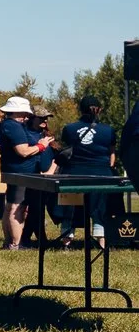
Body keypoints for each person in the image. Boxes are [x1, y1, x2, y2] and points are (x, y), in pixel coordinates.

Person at [55, 95, 119, 244]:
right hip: (101, 173)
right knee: (100, 203)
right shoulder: (108, 130)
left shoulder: (69, 129)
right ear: (100, 110)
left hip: (73, 173)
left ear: (80, 109)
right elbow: (112, 155)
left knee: (69, 203)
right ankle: (100, 234)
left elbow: (65, 149)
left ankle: (66, 237)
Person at [0, 95, 54, 250]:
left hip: (14, 171)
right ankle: (15, 244)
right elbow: (22, 151)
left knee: (10, 207)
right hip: (21, 173)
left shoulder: (6, 125)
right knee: (17, 208)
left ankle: (9, 242)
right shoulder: (13, 127)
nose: (25, 117)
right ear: (16, 112)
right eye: (23, 113)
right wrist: (41, 146)